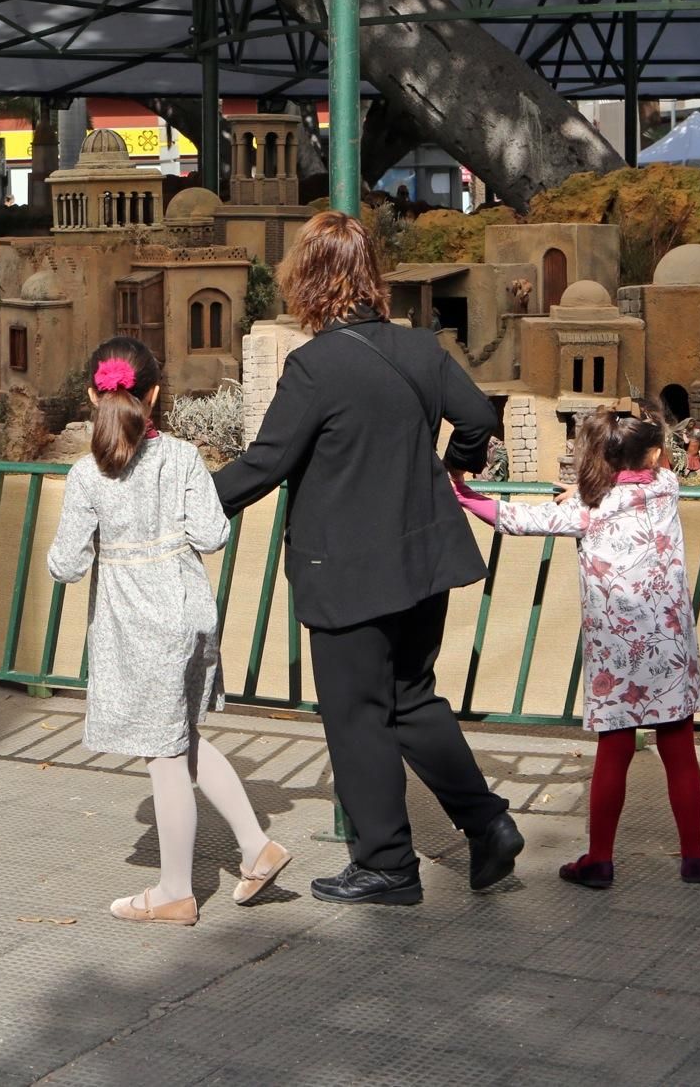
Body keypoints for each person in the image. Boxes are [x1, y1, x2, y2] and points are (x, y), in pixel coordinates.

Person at [212, 211, 523, 906]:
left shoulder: (314, 367)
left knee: (356, 714)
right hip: (423, 562)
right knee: (411, 697)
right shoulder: (421, 351)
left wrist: (182, 503)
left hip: (347, 570)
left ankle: (387, 863)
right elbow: (477, 419)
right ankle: (487, 821)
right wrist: (452, 468)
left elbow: (265, 465)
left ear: (311, 280)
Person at [48, 337, 289, 925]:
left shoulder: (87, 475)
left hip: (137, 627)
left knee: (163, 754)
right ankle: (257, 848)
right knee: (182, 739)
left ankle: (176, 890)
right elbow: (213, 535)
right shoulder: (181, 457)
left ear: (91, 395)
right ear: (154, 394)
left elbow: (66, 565)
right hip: (187, 613)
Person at [453, 409, 700, 889]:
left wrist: (465, 497)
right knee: (679, 747)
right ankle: (694, 855)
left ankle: (599, 859)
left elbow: (517, 519)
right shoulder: (667, 489)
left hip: (616, 651)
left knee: (614, 751)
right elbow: (642, 477)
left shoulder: (587, 510)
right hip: (670, 647)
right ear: (657, 455)